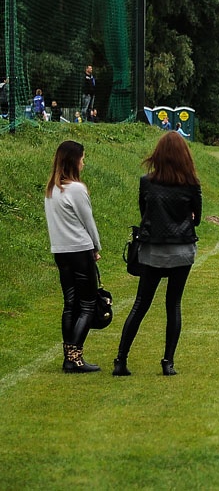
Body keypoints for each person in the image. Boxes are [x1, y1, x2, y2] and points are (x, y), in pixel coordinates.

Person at [114, 132, 202, 377]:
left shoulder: (147, 181)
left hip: (153, 249)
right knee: (173, 304)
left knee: (141, 303)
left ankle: (121, 359)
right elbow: (197, 217)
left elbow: (144, 212)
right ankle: (168, 361)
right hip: (182, 249)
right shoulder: (191, 183)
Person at [45, 140, 103, 373]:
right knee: (88, 304)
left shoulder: (51, 189)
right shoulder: (77, 189)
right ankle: (74, 356)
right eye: (82, 158)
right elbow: (88, 222)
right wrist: (96, 247)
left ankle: (68, 355)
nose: (83, 162)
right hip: (80, 250)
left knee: (70, 304)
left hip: (60, 251)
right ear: (73, 161)